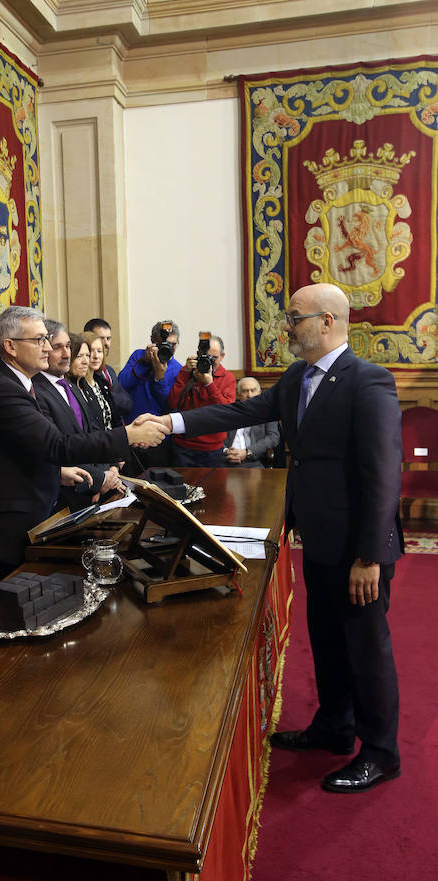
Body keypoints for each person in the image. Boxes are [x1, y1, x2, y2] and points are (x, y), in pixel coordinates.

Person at [136, 283, 403, 794]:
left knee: (365, 648)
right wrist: (172, 421)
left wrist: (370, 555)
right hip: (317, 539)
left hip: (357, 548)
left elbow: (382, 475)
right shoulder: (300, 377)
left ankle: (381, 751)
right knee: (326, 638)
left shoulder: (368, 382)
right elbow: (239, 414)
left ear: (328, 322)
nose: (287, 326)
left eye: (295, 318)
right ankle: (335, 726)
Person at [0, 306, 168, 594]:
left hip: (28, 516)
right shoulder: (1, 389)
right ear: (10, 347)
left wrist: (57, 471)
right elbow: (57, 444)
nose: (47, 348)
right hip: (3, 532)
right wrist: (128, 435)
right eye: (39, 340)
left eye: (47, 339)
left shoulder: (19, 384)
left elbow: (21, 449)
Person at [33, 320, 124, 510]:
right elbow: (58, 449)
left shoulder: (71, 387)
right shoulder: (36, 390)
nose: (67, 354)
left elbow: (94, 434)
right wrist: (100, 480)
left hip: (91, 489)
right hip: (65, 498)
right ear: (43, 348)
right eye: (58, 347)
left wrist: (111, 470)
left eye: (68, 346)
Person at [119, 319, 181, 468]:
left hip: (159, 440)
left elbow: (169, 406)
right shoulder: (138, 356)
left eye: (172, 344)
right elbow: (120, 385)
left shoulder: (179, 369)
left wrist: (160, 378)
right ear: (153, 341)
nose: (168, 349)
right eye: (163, 344)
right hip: (131, 434)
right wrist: (144, 362)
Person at [168, 334, 236, 467]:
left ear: (222, 356)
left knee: (213, 487)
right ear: (198, 354)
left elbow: (227, 412)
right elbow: (172, 403)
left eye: (214, 358)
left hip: (212, 448)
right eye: (205, 356)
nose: (209, 361)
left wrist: (209, 384)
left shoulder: (227, 378)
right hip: (184, 446)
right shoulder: (188, 372)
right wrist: (185, 373)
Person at [223, 377, 280, 468]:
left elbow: (273, 438)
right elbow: (215, 435)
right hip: (226, 460)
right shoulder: (229, 412)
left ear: (259, 393)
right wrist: (225, 450)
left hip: (254, 461)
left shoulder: (268, 413)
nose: (249, 395)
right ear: (238, 394)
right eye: (245, 391)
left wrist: (247, 452)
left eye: (253, 390)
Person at [83, 317, 132, 420]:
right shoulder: (79, 374)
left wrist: (107, 396)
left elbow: (127, 403)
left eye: (108, 338)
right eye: (101, 338)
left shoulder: (109, 371)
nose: (106, 343)